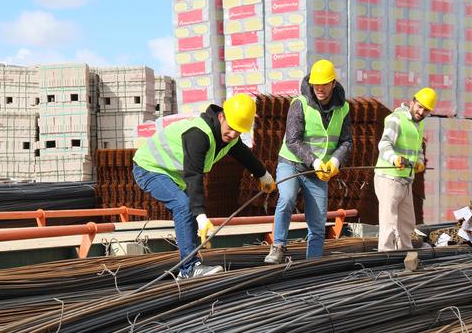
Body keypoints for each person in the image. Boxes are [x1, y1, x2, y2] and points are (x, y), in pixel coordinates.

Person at [133, 94, 276, 279]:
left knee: (188, 207)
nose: (233, 134)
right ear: (222, 116)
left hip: (170, 173)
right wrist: (201, 215)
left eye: (239, 131)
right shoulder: (198, 135)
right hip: (149, 168)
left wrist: (263, 175)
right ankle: (189, 269)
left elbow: (243, 154)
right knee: (184, 206)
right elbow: (194, 176)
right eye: (231, 128)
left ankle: (190, 265)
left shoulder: (228, 137)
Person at [264, 59, 352, 264]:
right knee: (286, 198)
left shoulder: (343, 108)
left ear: (333, 84)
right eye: (316, 84)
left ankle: (313, 262)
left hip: (318, 171)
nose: (319, 88)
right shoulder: (300, 104)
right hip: (292, 163)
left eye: (324, 84)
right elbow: (292, 140)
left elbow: (346, 141)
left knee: (319, 219)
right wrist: (314, 161)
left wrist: (336, 161)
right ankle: (278, 247)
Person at [374, 87, 437, 251]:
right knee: (389, 224)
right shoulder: (396, 119)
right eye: (419, 107)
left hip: (405, 179)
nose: (421, 112)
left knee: (407, 225)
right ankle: (385, 260)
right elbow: (384, 144)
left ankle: (406, 257)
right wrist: (394, 159)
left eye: (426, 110)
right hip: (389, 178)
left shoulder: (418, 124)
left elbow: (418, 150)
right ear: (412, 102)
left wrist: (420, 162)